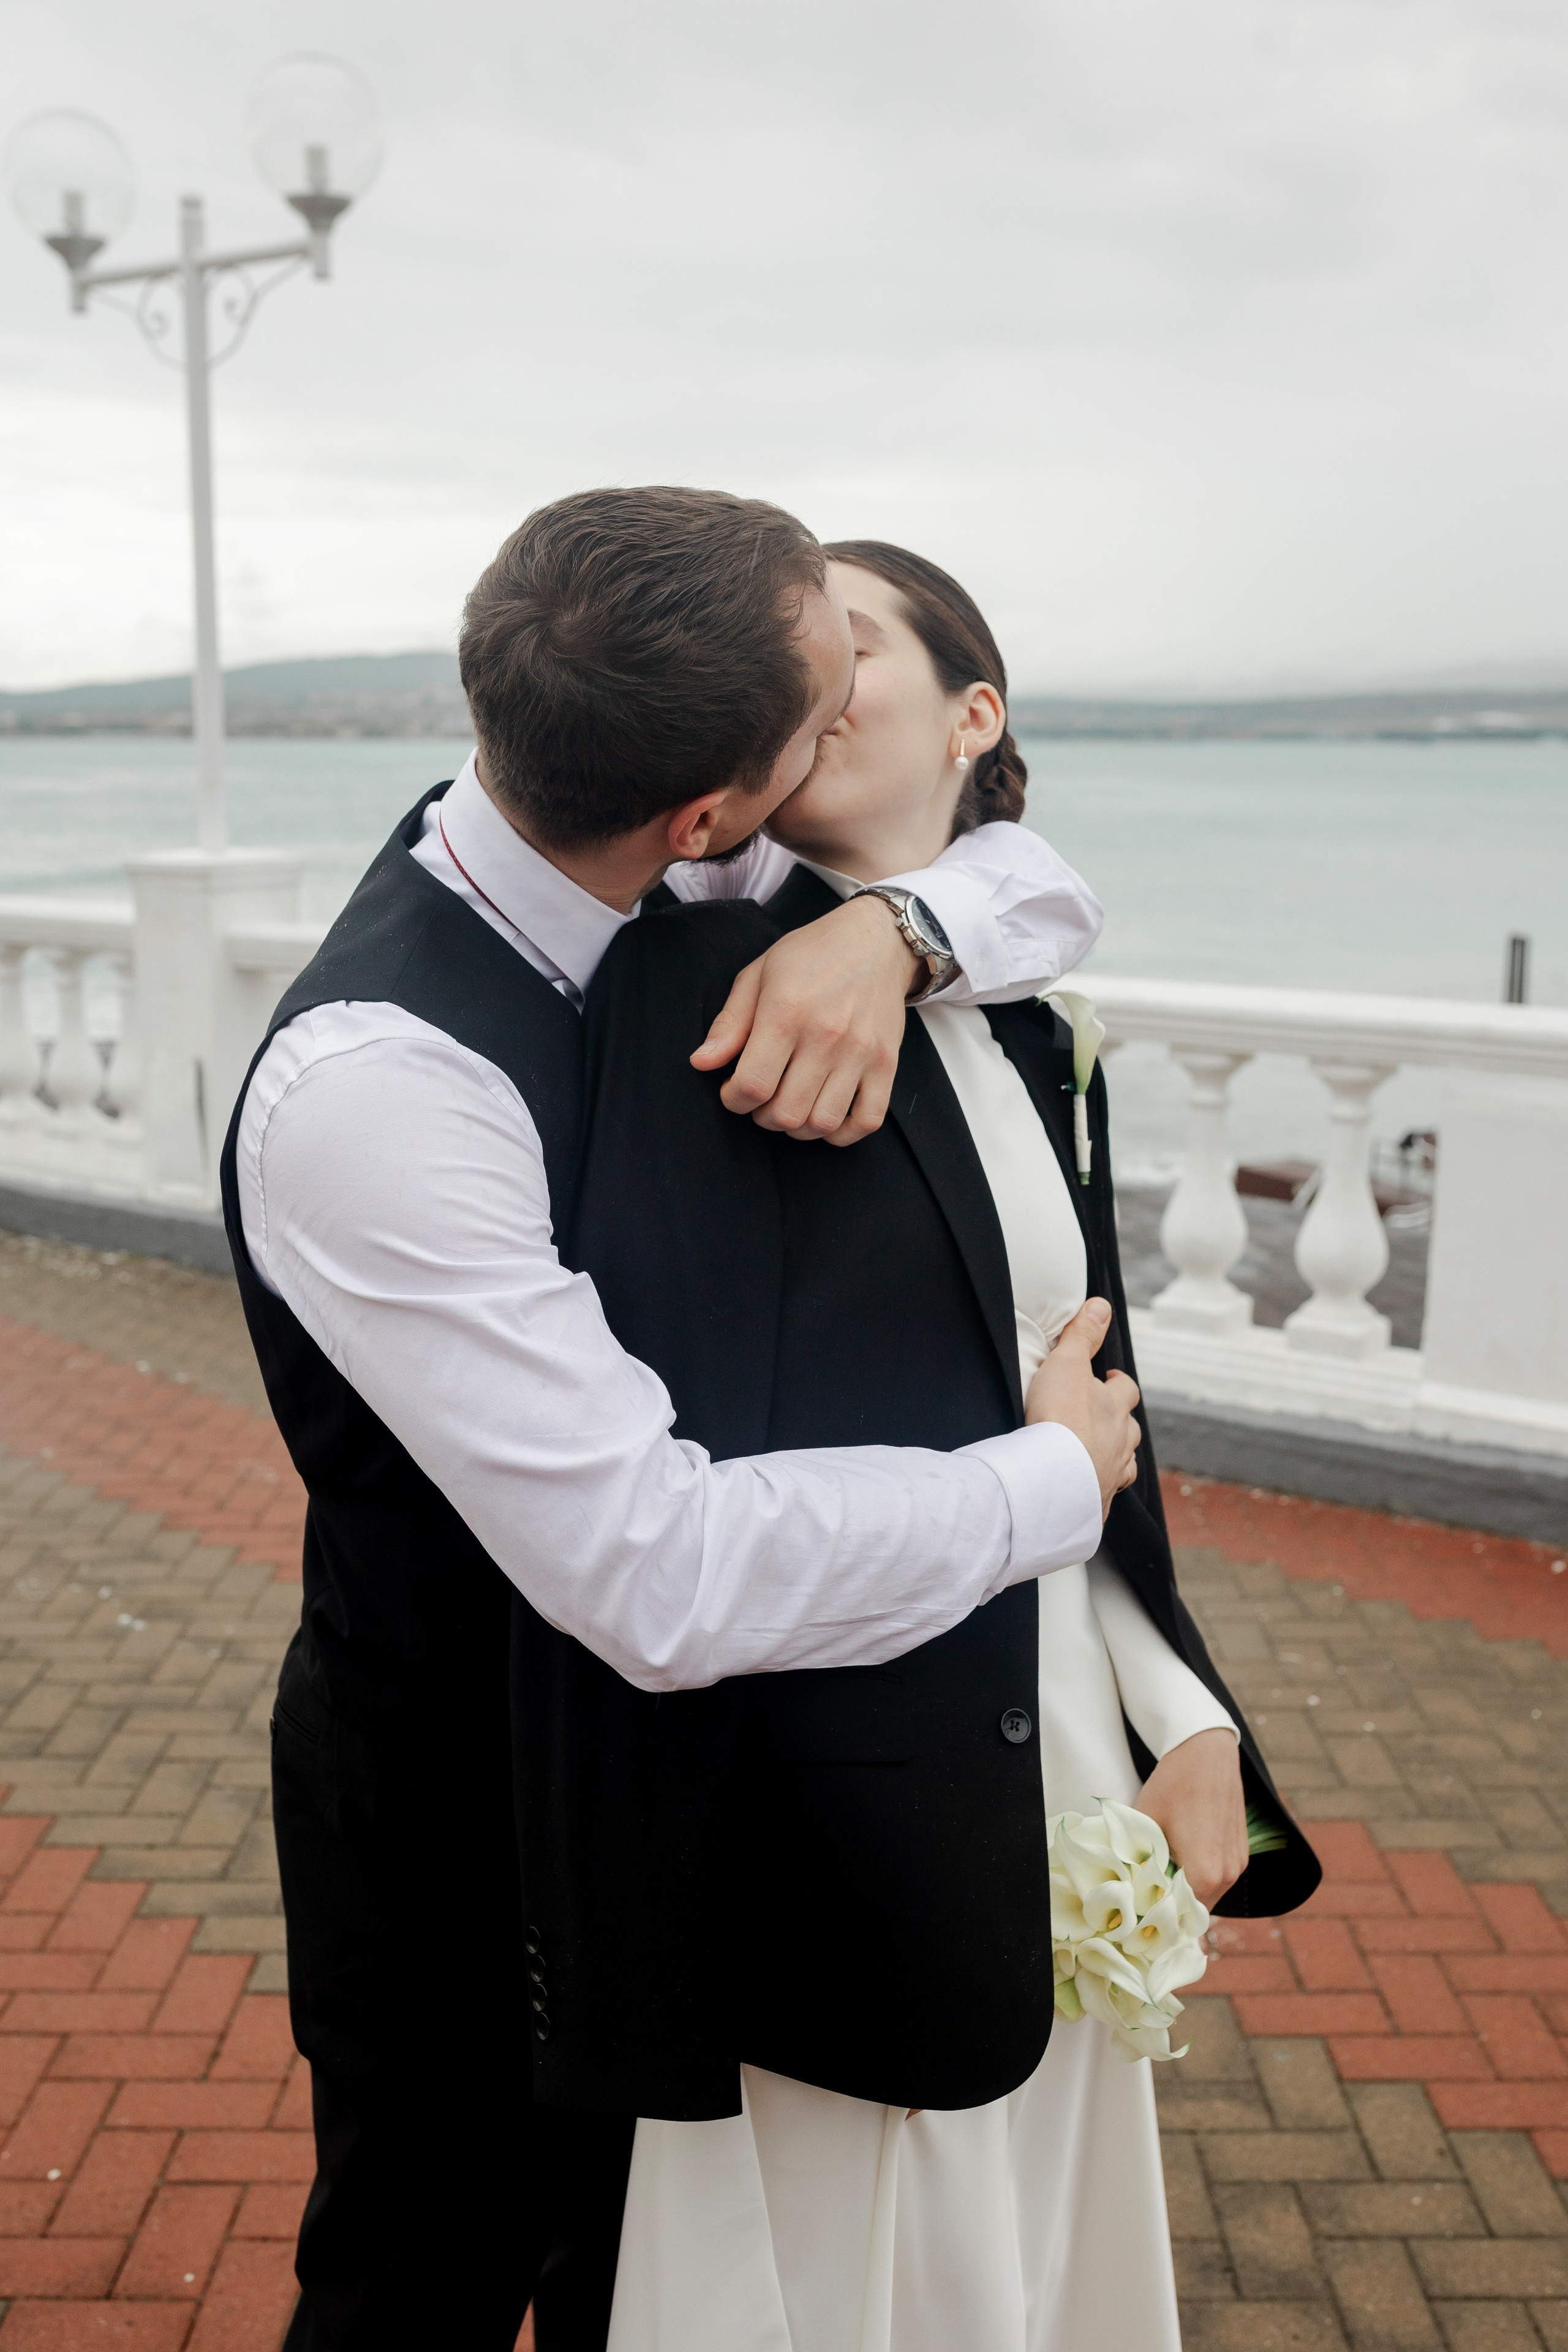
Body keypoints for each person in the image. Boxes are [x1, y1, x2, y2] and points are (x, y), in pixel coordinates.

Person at [219, 488, 1134, 2351]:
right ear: (714, 812)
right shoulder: (376, 1087)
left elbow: (1035, 880)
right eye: (827, 694)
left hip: (688, 1798)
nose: (851, 714)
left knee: (631, 2279)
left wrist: (894, 930)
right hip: (464, 1824)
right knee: (419, 2273)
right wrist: (1051, 1486)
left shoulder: (648, 841)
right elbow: (662, 1568)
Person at [563, 541, 1321, 2352]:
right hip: (836, 1789)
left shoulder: (1030, 1017)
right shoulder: (694, 996)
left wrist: (1182, 1715)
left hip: (1054, 1742)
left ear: (976, 716)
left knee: (1039, 2256)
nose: (810, 677)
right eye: (787, 652)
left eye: (854, 644)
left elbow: (1093, 1413)